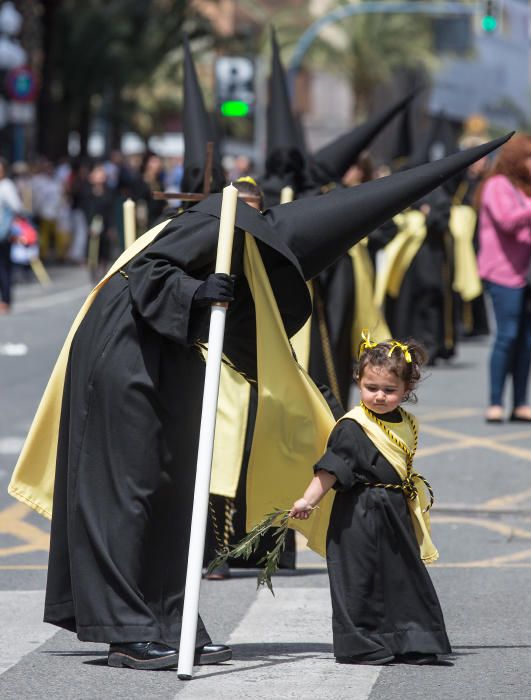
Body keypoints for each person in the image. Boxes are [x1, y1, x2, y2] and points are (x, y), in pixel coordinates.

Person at [290, 334, 451, 666]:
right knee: (359, 578)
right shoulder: (353, 427)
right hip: (358, 513)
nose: (379, 396)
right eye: (371, 387)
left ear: (407, 390)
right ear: (358, 382)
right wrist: (308, 500)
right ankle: (362, 644)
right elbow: (331, 468)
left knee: (404, 575)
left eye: (389, 390)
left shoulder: (406, 422)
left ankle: (413, 640)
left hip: (393, 510)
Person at [476, 133, 531, 423]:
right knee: (507, 337)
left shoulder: (524, 189)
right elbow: (508, 221)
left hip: (525, 272)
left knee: (526, 341)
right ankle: (495, 401)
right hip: (502, 273)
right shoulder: (497, 186)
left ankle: (520, 402)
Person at [0, 158, 23, 314]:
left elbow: (17, 206)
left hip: (3, 233)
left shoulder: (6, 186)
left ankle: (6, 300)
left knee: (3, 268)